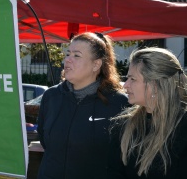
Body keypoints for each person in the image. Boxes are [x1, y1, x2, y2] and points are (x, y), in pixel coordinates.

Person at [37, 32, 128, 179]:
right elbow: (45, 140)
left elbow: (124, 157)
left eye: (76, 55)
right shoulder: (51, 97)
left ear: (96, 64)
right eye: (68, 54)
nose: (68, 60)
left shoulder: (119, 104)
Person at [108, 47, 187, 179]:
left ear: (155, 85)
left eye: (132, 79)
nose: (125, 85)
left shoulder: (183, 127)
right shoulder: (122, 126)